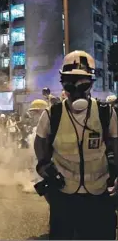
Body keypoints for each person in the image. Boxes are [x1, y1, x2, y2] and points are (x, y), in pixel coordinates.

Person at [34, 50, 118, 240]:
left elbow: (115, 143)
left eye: (83, 83)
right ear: (62, 83)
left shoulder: (106, 113)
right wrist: (44, 168)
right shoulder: (51, 114)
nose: (76, 90)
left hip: (98, 195)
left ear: (91, 84)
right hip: (64, 196)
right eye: (70, 84)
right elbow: (40, 143)